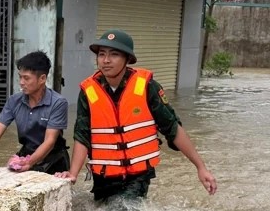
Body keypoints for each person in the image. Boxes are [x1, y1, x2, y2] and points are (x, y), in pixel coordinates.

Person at [55, 29, 217, 201]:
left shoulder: (147, 87)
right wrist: (73, 174)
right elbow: (82, 135)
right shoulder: (88, 91)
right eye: (101, 54)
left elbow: (173, 129)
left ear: (127, 59)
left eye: (114, 54)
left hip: (137, 176)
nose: (106, 60)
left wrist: (201, 167)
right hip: (103, 175)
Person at [0, 51, 70, 174]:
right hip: (27, 153)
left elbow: (49, 142)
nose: (21, 82)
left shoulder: (58, 103)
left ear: (42, 79)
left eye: (26, 78)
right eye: (20, 77)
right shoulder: (14, 100)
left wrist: (29, 163)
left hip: (53, 159)